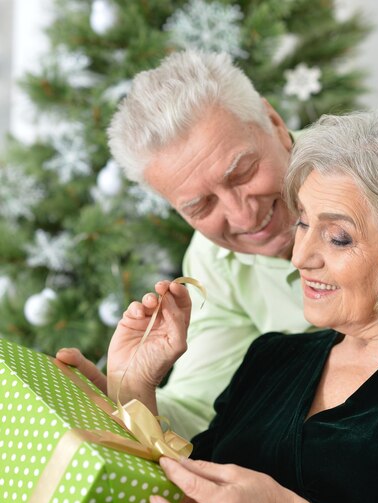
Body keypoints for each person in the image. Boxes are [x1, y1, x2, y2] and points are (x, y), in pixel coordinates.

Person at [2, 106, 378, 503]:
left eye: (337, 238)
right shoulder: (274, 360)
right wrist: (132, 389)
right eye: (304, 225)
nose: (300, 256)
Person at [56, 49, 311, 440]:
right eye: (200, 205)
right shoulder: (212, 261)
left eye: (242, 173)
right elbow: (200, 408)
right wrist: (127, 393)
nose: (243, 217)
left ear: (274, 122)